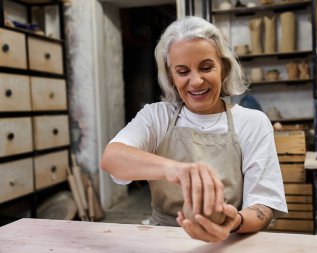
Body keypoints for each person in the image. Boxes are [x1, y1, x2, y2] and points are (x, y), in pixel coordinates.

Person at [101, 16, 287, 243]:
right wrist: (175, 170)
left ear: (224, 69)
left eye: (206, 67)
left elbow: (263, 205)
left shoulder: (252, 122)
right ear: (171, 76)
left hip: (227, 239)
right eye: (182, 71)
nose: (196, 81)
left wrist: (233, 221)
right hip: (162, 240)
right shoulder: (158, 116)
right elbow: (112, 158)